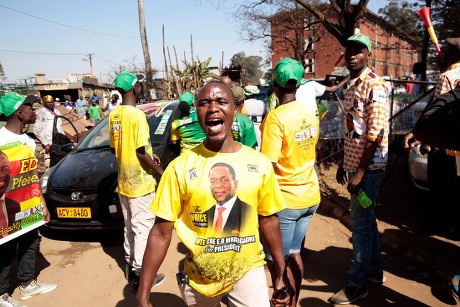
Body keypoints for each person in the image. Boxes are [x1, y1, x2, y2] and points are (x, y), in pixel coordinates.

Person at [137, 81, 292, 307]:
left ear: (234, 109)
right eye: (204, 103)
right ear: (197, 112)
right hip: (199, 280)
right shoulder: (179, 168)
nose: (213, 108)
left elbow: (269, 220)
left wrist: (280, 274)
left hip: (247, 271)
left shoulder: (259, 164)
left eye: (221, 101)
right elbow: (160, 234)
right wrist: (143, 294)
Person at [329, 33, 390, 305]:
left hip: (370, 168)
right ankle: (375, 271)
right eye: (349, 50)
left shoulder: (374, 85)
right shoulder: (352, 84)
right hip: (355, 165)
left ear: (368, 54)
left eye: (358, 50)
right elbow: (352, 129)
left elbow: (375, 134)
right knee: (366, 221)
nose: (352, 55)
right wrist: (345, 163)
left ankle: (357, 284)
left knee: (360, 225)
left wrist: (361, 172)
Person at [260, 57, 320, 307]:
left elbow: (267, 165)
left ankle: (286, 302)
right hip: (310, 195)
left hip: (286, 200)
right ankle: (294, 303)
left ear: (275, 85)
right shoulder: (310, 112)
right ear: (298, 84)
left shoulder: (276, 118)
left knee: (278, 261)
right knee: (295, 253)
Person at [109, 70, 166, 293]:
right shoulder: (136, 115)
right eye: (139, 85)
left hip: (123, 180)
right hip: (140, 182)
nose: (141, 87)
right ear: (134, 88)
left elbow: (117, 148)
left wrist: (151, 155)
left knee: (129, 227)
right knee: (143, 228)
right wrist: (160, 171)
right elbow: (140, 151)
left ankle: (131, 267)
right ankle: (143, 273)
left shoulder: (114, 115)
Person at [0, 92, 57, 307]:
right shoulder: (0, 140)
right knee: (5, 249)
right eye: (30, 108)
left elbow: (32, 176)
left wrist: (42, 204)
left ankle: (27, 284)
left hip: (29, 204)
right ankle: (1, 294)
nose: (35, 111)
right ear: (19, 114)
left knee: (30, 242)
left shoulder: (28, 141)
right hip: (5, 208)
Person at [403, 37, 460, 235]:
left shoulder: (447, 76)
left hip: (443, 141)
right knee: (454, 182)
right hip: (457, 142)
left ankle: (442, 223)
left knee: (440, 181)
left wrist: (424, 137)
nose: (441, 53)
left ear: (452, 54)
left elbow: (437, 113)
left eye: (445, 50)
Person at [204, 162, 254, 235]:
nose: (218, 185)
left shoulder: (249, 212)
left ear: (235, 184)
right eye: (213, 181)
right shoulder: (205, 215)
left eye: (224, 180)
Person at [33, 95, 63, 174]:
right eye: (48, 102)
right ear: (44, 103)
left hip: (58, 142)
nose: (50, 104)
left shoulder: (57, 112)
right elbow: (37, 130)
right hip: (49, 143)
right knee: (49, 164)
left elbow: (60, 126)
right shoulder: (41, 112)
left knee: (60, 163)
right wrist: (45, 143)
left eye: (51, 102)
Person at [243, 85, 268, 151]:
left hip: (248, 128)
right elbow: (266, 115)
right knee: (259, 147)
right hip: (259, 127)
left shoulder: (244, 103)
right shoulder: (261, 103)